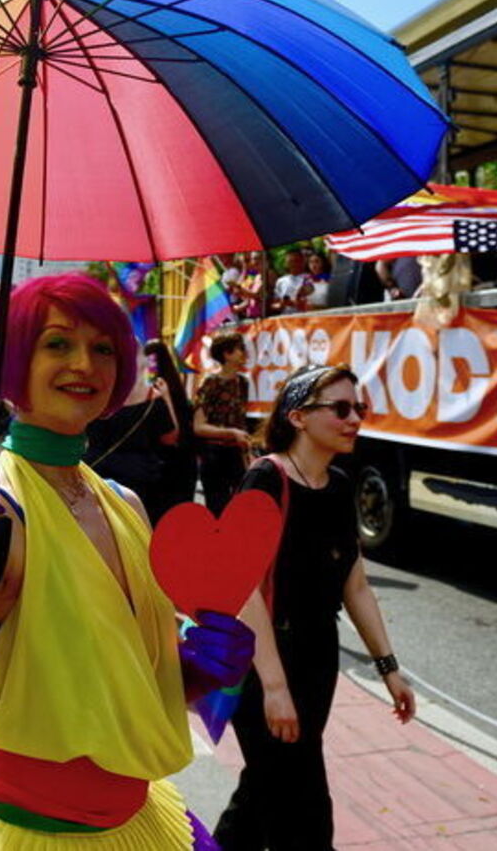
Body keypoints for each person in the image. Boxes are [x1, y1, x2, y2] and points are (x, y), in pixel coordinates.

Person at [0, 272, 254, 851]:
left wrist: (193, 674)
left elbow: (111, 690)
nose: (84, 364)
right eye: (57, 343)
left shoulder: (125, 504)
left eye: (103, 348)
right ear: (11, 367)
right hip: (19, 828)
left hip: (132, 821)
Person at [213, 364, 416, 850]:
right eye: (341, 409)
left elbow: (356, 585)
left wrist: (388, 668)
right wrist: (274, 688)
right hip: (265, 661)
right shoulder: (265, 478)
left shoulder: (340, 485)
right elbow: (241, 586)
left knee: (264, 789)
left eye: (358, 408)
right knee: (301, 808)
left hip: (317, 660)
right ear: (298, 416)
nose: (355, 419)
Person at [83, 343, 177, 524]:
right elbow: (170, 438)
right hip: (138, 476)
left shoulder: (95, 391)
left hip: (96, 470)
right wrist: (166, 398)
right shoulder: (152, 397)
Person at [193, 330, 251, 515]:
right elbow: (199, 427)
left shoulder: (243, 383)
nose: (244, 353)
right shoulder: (210, 383)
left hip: (237, 454)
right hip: (214, 455)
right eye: (240, 349)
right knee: (218, 509)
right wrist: (232, 433)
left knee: (241, 508)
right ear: (227, 354)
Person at [144, 338, 198, 512]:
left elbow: (172, 434)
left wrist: (164, 398)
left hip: (169, 462)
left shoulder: (160, 390)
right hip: (180, 461)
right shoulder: (173, 386)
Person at [271, 250, 309, 314]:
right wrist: (282, 304)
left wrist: (297, 304)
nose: (293, 264)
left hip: (306, 317)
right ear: (286, 263)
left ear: (303, 262)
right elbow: (274, 305)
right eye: (290, 261)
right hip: (286, 317)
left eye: (296, 261)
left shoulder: (309, 278)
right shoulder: (281, 281)